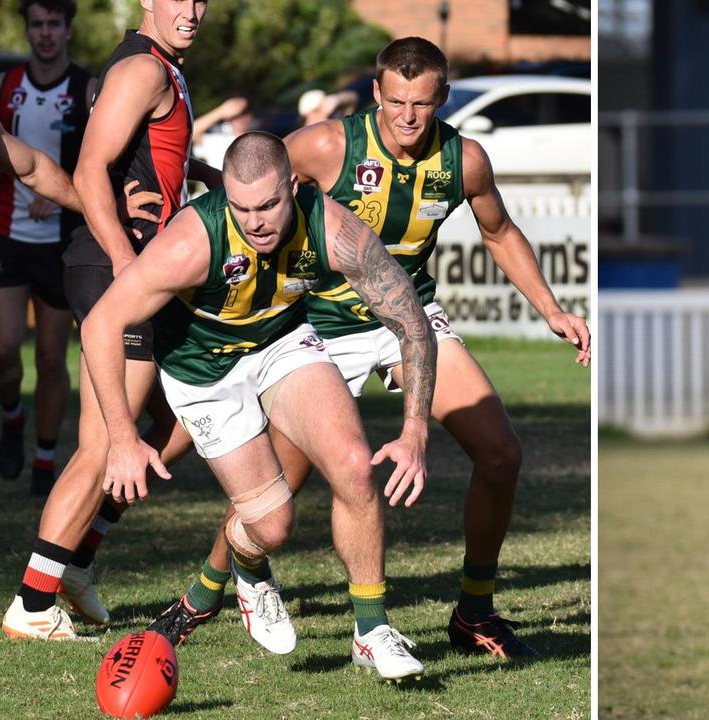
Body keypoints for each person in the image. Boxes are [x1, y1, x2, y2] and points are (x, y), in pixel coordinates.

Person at [147, 36, 591, 660]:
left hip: (409, 319)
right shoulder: (330, 144)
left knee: (501, 452)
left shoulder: (463, 160)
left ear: (443, 98)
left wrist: (550, 309)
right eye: (396, 101)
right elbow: (249, 187)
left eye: (424, 102)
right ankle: (208, 589)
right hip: (318, 326)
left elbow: (499, 230)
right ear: (377, 93)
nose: (408, 116)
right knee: (279, 487)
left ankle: (474, 609)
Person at [83, 131, 437, 680]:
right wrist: (123, 438)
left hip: (281, 343)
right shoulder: (191, 243)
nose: (257, 222)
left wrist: (414, 430)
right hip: (204, 373)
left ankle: (372, 630)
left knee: (352, 465)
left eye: (269, 205)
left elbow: (412, 320)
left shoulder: (335, 228)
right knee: (272, 527)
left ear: (293, 188)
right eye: (243, 208)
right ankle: (250, 568)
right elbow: (102, 323)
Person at [1, 0, 221, 640]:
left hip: (137, 273)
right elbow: (90, 170)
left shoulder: (163, 68)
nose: (192, 9)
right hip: (114, 271)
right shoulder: (143, 71)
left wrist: (209, 175)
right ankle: (35, 602)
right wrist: (128, 265)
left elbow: (148, 165)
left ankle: (77, 560)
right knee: (104, 444)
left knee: (180, 421)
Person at [0, 0, 94, 496]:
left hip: (61, 242)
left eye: (54, 24)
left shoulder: (87, 89)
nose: (45, 33)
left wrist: (62, 193)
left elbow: (98, 159)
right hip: (6, 233)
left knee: (52, 359)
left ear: (68, 29)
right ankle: (12, 415)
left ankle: (45, 458)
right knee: (2, 350)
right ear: (27, 30)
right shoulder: (0, 87)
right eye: (37, 24)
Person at [191, 95, 254, 171]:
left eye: (245, 112)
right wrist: (221, 111)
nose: (242, 118)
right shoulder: (217, 134)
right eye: (237, 114)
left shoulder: (259, 137)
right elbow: (192, 131)